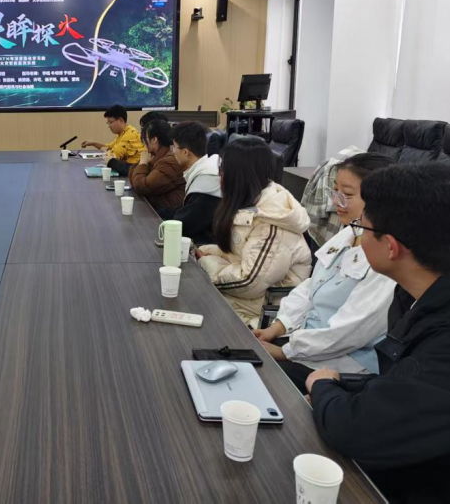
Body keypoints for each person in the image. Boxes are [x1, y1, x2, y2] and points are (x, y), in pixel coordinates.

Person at [306, 164, 450, 503]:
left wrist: (322, 386)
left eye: (363, 227)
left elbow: (358, 432)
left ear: (391, 246)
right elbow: (409, 384)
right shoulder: (442, 281)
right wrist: (341, 386)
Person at [252, 153, 396, 393]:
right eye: (335, 191)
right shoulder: (349, 233)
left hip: (343, 362)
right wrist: (278, 327)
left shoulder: (385, 259)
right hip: (306, 342)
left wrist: (285, 352)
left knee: (261, 381)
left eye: (347, 195)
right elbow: (312, 286)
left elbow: (349, 332)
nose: (335, 201)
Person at [196, 136, 311, 326]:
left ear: (238, 176)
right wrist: (205, 252)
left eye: (223, 170)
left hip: (264, 312)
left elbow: (248, 282)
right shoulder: (252, 203)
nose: (219, 176)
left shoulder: (272, 222)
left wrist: (205, 263)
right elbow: (238, 254)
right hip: (245, 300)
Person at [166, 121, 221, 244]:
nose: (173, 151)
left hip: (206, 244)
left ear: (185, 152)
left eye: (174, 147)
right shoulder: (207, 167)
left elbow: (186, 225)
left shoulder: (207, 181)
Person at [128, 120, 186, 215]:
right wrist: (142, 163)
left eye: (145, 138)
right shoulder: (156, 156)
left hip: (166, 214)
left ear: (154, 139)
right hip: (157, 209)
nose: (143, 142)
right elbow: (133, 179)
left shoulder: (169, 161)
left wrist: (143, 164)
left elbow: (141, 186)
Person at [81, 105, 144, 173]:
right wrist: (93, 143)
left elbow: (111, 156)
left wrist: (106, 150)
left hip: (133, 171)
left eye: (110, 122)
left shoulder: (129, 136)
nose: (109, 126)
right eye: (108, 123)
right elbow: (109, 147)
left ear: (121, 120)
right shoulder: (124, 132)